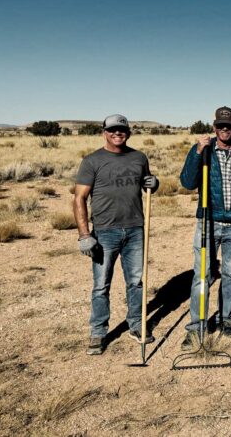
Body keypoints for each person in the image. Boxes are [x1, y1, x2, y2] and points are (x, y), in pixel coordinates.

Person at [74, 114, 159, 355]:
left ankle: (136, 324)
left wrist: (154, 183)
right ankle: (98, 332)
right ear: (104, 133)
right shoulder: (92, 161)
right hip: (104, 232)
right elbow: (79, 198)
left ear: (128, 133)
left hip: (135, 229)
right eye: (112, 130)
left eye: (121, 130)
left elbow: (146, 184)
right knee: (101, 285)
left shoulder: (139, 157)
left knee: (136, 282)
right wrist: (84, 235)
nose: (117, 133)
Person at [179, 106, 231, 350]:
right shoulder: (204, 152)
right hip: (208, 223)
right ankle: (197, 327)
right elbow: (187, 182)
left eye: (229, 126)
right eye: (220, 126)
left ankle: (226, 319)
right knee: (202, 275)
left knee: (230, 274)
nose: (224, 130)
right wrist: (197, 152)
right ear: (214, 127)